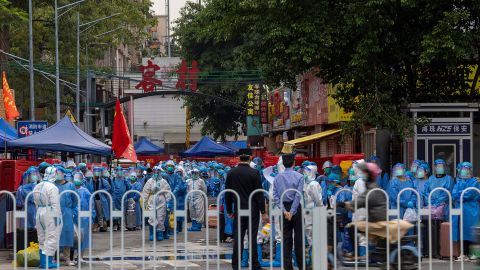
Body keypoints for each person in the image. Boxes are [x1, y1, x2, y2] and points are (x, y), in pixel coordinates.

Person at [225, 149, 268, 270]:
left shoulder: (231, 173)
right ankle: (254, 264)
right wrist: (263, 211)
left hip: (238, 209)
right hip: (252, 210)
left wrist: (229, 210)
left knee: (238, 237)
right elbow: (259, 194)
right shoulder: (254, 173)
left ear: (239, 157)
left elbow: (228, 194)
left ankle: (235, 264)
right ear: (250, 157)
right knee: (252, 238)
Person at [272, 153, 304, 270]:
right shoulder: (299, 176)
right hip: (295, 209)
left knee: (286, 239)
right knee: (299, 238)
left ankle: (287, 267)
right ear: (294, 163)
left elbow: (275, 196)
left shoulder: (277, 178)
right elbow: (298, 195)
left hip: (284, 208)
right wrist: (292, 211)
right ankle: (301, 265)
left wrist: (285, 211)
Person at [33, 166, 61, 269]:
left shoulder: (37, 185)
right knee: (51, 237)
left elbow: (35, 201)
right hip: (49, 212)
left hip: (39, 211)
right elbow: (55, 204)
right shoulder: (53, 187)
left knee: (41, 237)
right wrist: (57, 217)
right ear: (54, 174)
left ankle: (42, 262)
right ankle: (48, 262)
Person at [452, 162, 480, 261]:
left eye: (466, 168)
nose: (464, 170)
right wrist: (462, 194)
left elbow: (470, 194)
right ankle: (463, 254)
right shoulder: (459, 182)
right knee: (461, 232)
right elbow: (453, 194)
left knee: (472, 232)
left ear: (470, 170)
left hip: (472, 210)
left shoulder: (474, 182)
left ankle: (474, 254)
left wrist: (461, 194)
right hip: (461, 209)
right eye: (462, 168)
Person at [54, 166, 78, 266]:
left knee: (67, 234)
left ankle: (68, 258)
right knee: (55, 235)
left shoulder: (70, 185)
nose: (58, 175)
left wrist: (70, 209)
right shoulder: (53, 185)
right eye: (56, 173)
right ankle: (54, 257)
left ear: (63, 174)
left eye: (59, 172)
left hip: (67, 212)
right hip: (55, 212)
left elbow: (75, 199)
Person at [142, 166, 171, 241]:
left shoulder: (164, 181)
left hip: (161, 199)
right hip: (152, 198)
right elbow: (145, 192)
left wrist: (168, 202)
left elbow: (168, 191)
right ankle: (152, 233)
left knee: (161, 217)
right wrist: (144, 202)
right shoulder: (150, 181)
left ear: (160, 172)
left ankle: (159, 233)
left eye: (158, 171)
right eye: (154, 171)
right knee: (152, 217)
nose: (156, 173)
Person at [73, 172, 94, 262]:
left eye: (78, 178)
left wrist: (92, 216)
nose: (77, 180)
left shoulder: (85, 191)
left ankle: (80, 256)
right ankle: (72, 256)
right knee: (74, 237)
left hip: (84, 218)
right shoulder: (71, 190)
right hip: (73, 217)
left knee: (83, 237)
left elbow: (91, 204)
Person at [303, 164, 322, 262]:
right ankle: (311, 258)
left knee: (313, 235)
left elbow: (318, 200)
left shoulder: (313, 184)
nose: (304, 174)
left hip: (313, 212)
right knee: (309, 234)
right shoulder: (307, 183)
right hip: (308, 212)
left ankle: (314, 258)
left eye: (306, 172)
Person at [163, 160, 187, 234]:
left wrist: (173, 192)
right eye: (168, 166)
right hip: (165, 197)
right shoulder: (164, 175)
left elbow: (178, 185)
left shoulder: (177, 176)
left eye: (171, 166)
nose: (170, 168)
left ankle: (174, 228)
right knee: (165, 214)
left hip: (174, 198)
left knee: (174, 214)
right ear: (165, 167)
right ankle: (166, 229)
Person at [111, 166, 128, 231]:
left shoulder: (124, 180)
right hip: (115, 198)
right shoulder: (113, 180)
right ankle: (115, 225)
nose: (119, 172)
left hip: (123, 198)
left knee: (123, 212)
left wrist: (126, 181)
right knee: (115, 211)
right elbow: (112, 189)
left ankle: (122, 225)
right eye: (118, 171)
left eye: (121, 171)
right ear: (116, 172)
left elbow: (129, 187)